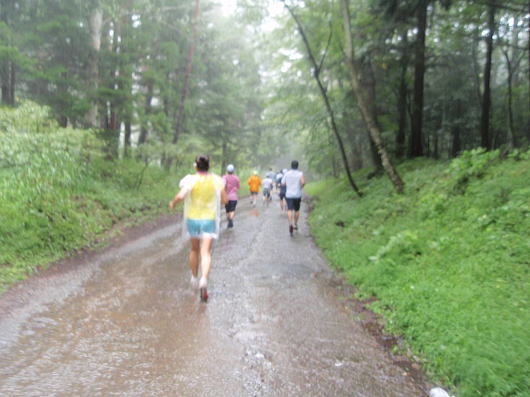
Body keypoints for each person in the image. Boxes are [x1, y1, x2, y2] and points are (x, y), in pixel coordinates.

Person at [169, 154, 227, 302]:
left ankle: (194, 278)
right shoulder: (216, 180)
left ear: (196, 165)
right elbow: (225, 200)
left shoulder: (190, 179)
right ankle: (204, 280)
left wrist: (173, 203)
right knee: (206, 252)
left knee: (194, 250)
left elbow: (181, 196)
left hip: (193, 219)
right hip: (209, 220)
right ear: (209, 166)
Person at [281, 161, 305, 236]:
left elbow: (283, 183)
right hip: (297, 194)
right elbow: (303, 182)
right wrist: (300, 188)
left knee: (289, 209)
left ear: (291, 166)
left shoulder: (287, 173)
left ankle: (290, 224)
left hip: (289, 194)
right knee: (297, 210)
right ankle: (295, 224)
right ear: (297, 166)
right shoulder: (300, 173)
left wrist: (288, 185)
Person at [223, 164, 240, 228]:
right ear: (233, 171)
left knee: (227, 210)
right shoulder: (236, 178)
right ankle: (231, 220)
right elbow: (238, 187)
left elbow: (223, 185)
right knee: (232, 210)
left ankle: (229, 221)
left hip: (226, 197)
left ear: (227, 170)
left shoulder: (224, 177)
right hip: (234, 197)